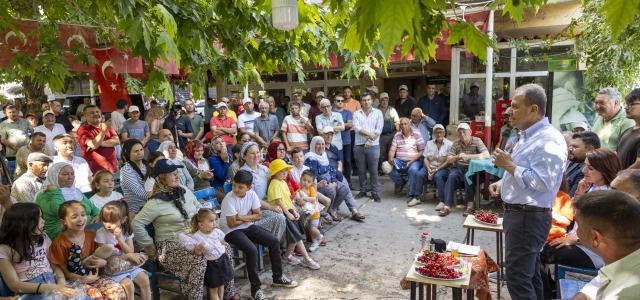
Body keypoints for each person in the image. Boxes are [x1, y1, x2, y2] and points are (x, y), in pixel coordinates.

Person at [489, 84, 568, 300]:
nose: (508, 111)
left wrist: (510, 167)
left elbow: (543, 182)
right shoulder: (527, 136)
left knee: (517, 277)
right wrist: (503, 181)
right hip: (521, 214)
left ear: (533, 109)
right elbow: (526, 171)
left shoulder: (548, 139)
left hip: (528, 216)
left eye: (514, 107)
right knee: (530, 275)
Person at [133, 159, 238, 300]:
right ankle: (195, 297)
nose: (177, 176)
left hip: (196, 237)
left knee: (225, 248)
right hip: (171, 245)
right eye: (172, 174)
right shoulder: (155, 202)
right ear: (161, 178)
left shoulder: (184, 190)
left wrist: (211, 225)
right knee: (198, 259)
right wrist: (149, 246)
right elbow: (136, 224)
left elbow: (200, 209)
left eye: (177, 173)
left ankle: (228, 292)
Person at [540, 149, 620, 298]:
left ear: (604, 170)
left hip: (593, 251)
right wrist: (579, 194)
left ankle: (546, 293)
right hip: (582, 243)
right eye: (585, 166)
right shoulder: (592, 187)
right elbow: (578, 217)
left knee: (537, 252)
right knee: (537, 249)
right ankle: (549, 288)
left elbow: (604, 230)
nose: (584, 171)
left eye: (590, 168)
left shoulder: (607, 194)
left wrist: (574, 239)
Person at [219, 170, 298, 300]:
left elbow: (258, 215)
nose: (236, 189)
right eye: (234, 185)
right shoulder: (229, 198)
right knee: (251, 250)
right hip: (231, 231)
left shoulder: (251, 194)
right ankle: (255, 290)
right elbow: (232, 224)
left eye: (240, 187)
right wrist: (249, 217)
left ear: (249, 188)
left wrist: (242, 217)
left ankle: (278, 277)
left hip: (247, 226)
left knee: (274, 241)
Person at [0, 203, 93, 300]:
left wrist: (61, 283)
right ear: (25, 223)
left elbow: (54, 265)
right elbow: (15, 285)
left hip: (54, 283)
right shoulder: (4, 249)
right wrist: (54, 287)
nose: (43, 221)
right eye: (39, 218)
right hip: (31, 293)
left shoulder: (43, 238)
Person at [49, 201, 127, 299]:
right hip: (74, 281)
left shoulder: (92, 236)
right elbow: (66, 273)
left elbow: (100, 257)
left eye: (83, 214)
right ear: (63, 221)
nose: (81, 219)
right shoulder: (58, 244)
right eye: (74, 217)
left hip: (95, 275)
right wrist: (85, 279)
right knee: (96, 296)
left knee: (117, 290)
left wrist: (102, 263)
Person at [572, 190, 640, 299]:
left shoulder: (624, 295)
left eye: (578, 225)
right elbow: (597, 285)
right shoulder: (620, 256)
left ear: (595, 237)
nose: (576, 232)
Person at [268, 159, 321, 269]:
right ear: (275, 173)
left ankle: (287, 255)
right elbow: (278, 200)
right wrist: (288, 213)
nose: (284, 173)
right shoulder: (274, 183)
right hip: (282, 211)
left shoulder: (283, 182)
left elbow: (287, 198)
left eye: (285, 170)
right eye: (281, 171)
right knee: (296, 234)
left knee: (297, 233)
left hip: (289, 210)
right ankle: (306, 259)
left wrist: (294, 210)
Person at [95, 201, 151, 300]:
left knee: (145, 279)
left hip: (127, 266)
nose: (108, 225)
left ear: (123, 220)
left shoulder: (126, 230)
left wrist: (119, 238)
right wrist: (127, 256)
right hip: (111, 269)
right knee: (129, 285)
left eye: (112, 222)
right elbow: (105, 258)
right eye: (105, 221)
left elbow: (130, 251)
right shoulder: (100, 233)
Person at [304, 136, 365, 221]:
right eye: (318, 144)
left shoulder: (325, 155)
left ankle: (332, 209)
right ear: (313, 145)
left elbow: (332, 169)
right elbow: (314, 174)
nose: (321, 146)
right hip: (319, 183)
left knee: (344, 188)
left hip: (329, 181)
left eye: (322, 144)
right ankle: (329, 210)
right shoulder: (310, 157)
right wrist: (329, 183)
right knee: (331, 190)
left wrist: (334, 181)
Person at [36, 162, 101, 240]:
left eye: (72, 174)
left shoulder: (75, 191)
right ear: (54, 176)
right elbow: (57, 210)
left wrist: (96, 215)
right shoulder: (44, 195)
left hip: (88, 229)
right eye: (65, 174)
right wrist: (55, 190)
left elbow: (92, 207)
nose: (70, 177)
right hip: (63, 236)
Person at [180, 209, 234, 300]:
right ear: (201, 224)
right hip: (211, 265)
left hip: (223, 259)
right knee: (213, 289)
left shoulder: (217, 232)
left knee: (221, 285)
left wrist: (221, 250)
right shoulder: (197, 236)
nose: (214, 223)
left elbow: (223, 243)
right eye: (211, 221)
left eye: (215, 220)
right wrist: (198, 249)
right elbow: (198, 253)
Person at [438, 122, 490, 217]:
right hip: (459, 168)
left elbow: (486, 155)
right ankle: (447, 206)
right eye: (460, 132)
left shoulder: (477, 141)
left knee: (468, 176)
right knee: (452, 176)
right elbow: (449, 159)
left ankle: (470, 206)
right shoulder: (456, 142)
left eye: (464, 132)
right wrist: (458, 156)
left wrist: (469, 156)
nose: (462, 134)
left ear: (470, 132)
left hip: (474, 170)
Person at [239, 143, 288, 242]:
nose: (256, 155)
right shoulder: (243, 173)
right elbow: (251, 197)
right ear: (244, 156)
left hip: (269, 205)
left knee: (291, 211)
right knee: (279, 217)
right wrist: (271, 207)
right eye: (252, 153)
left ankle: (286, 246)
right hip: (254, 211)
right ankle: (273, 246)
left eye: (257, 152)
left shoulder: (264, 169)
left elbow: (276, 184)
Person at [387, 118, 426, 206]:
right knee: (386, 166)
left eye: (405, 124)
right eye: (402, 124)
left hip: (414, 161)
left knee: (413, 170)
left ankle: (411, 195)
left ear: (410, 124)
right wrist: (390, 159)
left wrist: (411, 161)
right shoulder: (397, 135)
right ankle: (400, 182)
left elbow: (421, 152)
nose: (403, 126)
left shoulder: (417, 134)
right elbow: (392, 150)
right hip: (400, 161)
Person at [352, 92, 383, 202]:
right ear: (361, 101)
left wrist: (370, 140)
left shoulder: (378, 113)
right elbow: (357, 128)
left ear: (372, 100)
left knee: (374, 170)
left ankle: (374, 192)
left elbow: (379, 129)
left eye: (368, 100)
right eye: (364, 100)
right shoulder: (356, 114)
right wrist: (369, 135)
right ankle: (363, 190)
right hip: (359, 145)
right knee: (361, 170)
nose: (366, 102)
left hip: (373, 146)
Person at [78, 105, 120, 173]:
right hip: (94, 171)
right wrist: (103, 130)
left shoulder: (107, 126)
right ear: (85, 116)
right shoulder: (83, 129)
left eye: (97, 112)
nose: (96, 114)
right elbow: (94, 145)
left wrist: (100, 144)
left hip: (111, 168)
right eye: (92, 112)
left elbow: (117, 141)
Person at [591, 88, 634, 152]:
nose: (597, 106)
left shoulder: (627, 120)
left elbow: (626, 151)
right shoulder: (598, 117)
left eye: (601, 103)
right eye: (596, 103)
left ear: (615, 103)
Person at [422, 124, 453, 210]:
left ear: (444, 133)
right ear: (434, 134)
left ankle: (442, 201)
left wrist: (436, 170)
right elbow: (425, 159)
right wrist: (429, 170)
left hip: (443, 168)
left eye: (441, 132)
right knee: (420, 173)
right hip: (431, 167)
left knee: (438, 176)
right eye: (436, 133)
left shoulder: (450, 144)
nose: (439, 134)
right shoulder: (429, 143)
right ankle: (416, 197)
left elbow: (449, 161)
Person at [295, 170, 325, 251]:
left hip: (314, 213)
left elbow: (313, 198)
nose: (305, 183)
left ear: (312, 183)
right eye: (304, 180)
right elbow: (297, 198)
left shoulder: (311, 189)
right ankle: (315, 243)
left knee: (312, 229)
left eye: (308, 181)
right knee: (310, 230)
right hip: (306, 214)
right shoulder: (298, 189)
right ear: (300, 179)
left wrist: (304, 198)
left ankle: (320, 236)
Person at [566, 131, 601, 197]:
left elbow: (570, 198)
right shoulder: (574, 162)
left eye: (575, 147)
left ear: (590, 149)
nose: (570, 149)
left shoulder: (587, 172)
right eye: (570, 146)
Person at [120, 139, 149, 214]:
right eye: (136, 151)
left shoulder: (148, 165)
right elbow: (140, 192)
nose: (140, 153)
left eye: (141, 150)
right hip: (137, 211)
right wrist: (159, 196)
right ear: (128, 153)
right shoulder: (126, 170)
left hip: (151, 205)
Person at [377, 92, 400, 175]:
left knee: (392, 152)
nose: (385, 102)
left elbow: (397, 122)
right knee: (381, 153)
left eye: (386, 100)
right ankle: (382, 170)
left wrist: (397, 133)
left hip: (391, 135)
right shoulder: (376, 110)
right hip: (381, 135)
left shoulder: (392, 110)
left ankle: (391, 169)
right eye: (383, 100)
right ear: (380, 101)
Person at [617, 88, 640, 169]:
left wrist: (620, 176)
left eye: (630, 104)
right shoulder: (627, 131)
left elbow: (638, 165)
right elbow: (617, 155)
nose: (626, 107)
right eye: (626, 104)